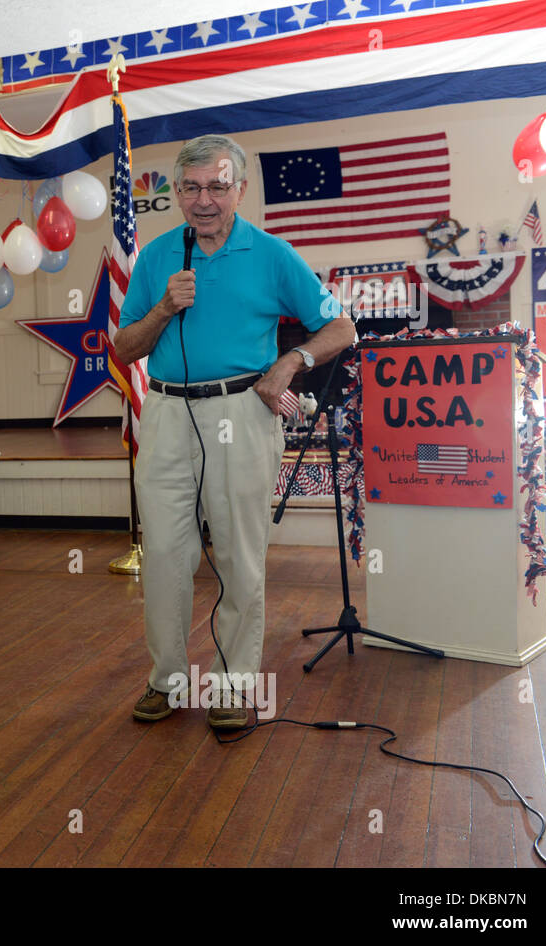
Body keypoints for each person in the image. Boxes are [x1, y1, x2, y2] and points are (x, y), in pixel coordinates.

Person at [114, 133, 355, 730]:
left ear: (240, 190)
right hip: (167, 413)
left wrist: (289, 363)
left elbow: (341, 327)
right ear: (176, 192)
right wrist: (164, 309)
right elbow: (125, 348)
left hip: (240, 413)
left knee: (238, 554)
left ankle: (232, 685)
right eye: (191, 188)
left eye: (217, 187)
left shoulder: (272, 254)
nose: (204, 201)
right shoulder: (156, 257)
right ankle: (166, 680)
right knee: (167, 554)